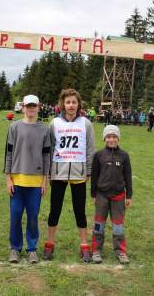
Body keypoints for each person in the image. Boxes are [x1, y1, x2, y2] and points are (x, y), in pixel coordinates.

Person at [43, 89, 95, 263]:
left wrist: (89, 170)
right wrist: (49, 172)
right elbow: (49, 149)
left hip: (79, 172)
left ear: (78, 104)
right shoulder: (54, 123)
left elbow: (90, 149)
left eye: (74, 102)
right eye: (68, 102)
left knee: (80, 210)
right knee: (54, 210)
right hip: (58, 172)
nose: (71, 105)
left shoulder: (86, 123)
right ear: (62, 104)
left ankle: (84, 245)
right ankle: (50, 243)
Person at [4, 94, 51, 264]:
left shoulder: (45, 129)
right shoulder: (14, 127)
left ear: (39, 107)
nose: (31, 108)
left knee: (33, 215)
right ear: (23, 107)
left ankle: (32, 249)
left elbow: (47, 157)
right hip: (17, 181)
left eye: (34, 106)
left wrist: (45, 180)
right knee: (15, 215)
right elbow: (8, 154)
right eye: (28, 106)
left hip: (36, 182)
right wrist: (8, 179)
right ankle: (15, 248)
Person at [90, 125, 132, 264]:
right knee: (99, 224)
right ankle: (96, 250)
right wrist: (93, 194)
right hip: (101, 195)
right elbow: (94, 176)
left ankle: (120, 250)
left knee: (118, 225)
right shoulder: (99, 155)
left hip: (119, 196)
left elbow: (128, 176)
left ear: (118, 138)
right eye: (108, 137)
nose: (111, 139)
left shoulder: (124, 155)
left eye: (114, 137)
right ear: (104, 138)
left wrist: (129, 195)